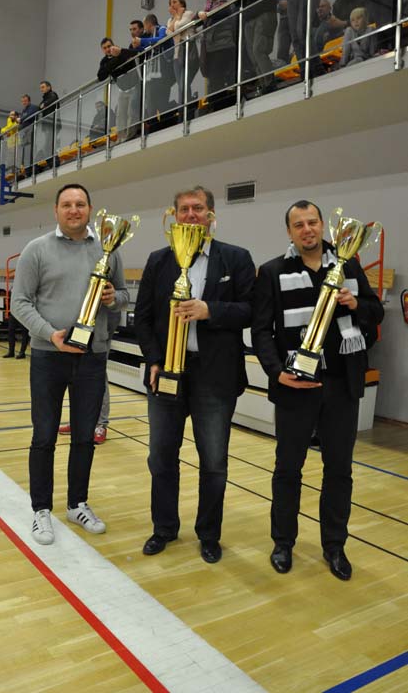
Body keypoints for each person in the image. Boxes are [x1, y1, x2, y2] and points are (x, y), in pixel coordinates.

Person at [252, 200, 384, 580]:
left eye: (312, 222)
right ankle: (283, 542)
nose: (307, 229)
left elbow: (375, 313)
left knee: (339, 470)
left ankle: (335, 546)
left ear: (323, 225)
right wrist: (276, 372)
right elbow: (261, 331)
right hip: (295, 387)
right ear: (289, 231)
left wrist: (355, 302)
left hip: (342, 385)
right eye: (299, 224)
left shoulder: (349, 265)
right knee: (287, 469)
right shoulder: (273, 271)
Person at [135, 186, 255, 564]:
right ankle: (164, 528)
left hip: (215, 376)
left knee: (214, 462)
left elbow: (252, 310)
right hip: (167, 372)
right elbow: (142, 318)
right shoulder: (158, 260)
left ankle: (209, 534)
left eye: (198, 208)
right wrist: (154, 360)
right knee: (161, 458)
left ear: (211, 215)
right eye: (184, 209)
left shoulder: (236, 258)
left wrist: (210, 310)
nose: (191, 214)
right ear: (173, 216)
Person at [11, 184, 129, 545]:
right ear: (56, 210)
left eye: (80, 204)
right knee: (44, 436)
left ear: (90, 209)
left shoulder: (108, 249)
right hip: (48, 357)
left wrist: (113, 297)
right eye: (67, 204)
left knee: (84, 437)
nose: (73, 209)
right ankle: (41, 510)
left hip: (92, 358)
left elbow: (125, 295)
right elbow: (19, 302)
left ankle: (77, 504)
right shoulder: (37, 249)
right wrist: (51, 335)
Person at [59, 308, 121, 444]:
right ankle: (77, 422)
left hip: (100, 325)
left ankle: (100, 425)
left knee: (99, 375)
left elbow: (119, 301)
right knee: (75, 372)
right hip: (80, 321)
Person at [131, 13, 174, 123]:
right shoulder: (150, 38)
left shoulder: (162, 28)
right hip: (151, 79)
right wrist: (137, 47)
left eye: (144, 25)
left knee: (162, 105)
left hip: (163, 76)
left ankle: (166, 126)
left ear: (148, 24)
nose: (144, 29)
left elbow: (160, 39)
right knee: (151, 107)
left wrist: (141, 41)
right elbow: (146, 49)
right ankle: (153, 128)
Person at [197, 0, 236, 100]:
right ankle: (214, 101)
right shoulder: (207, 9)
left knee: (218, 75)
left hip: (223, 45)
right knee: (213, 77)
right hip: (210, 47)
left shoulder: (226, 4)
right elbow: (195, 20)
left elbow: (220, 13)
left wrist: (207, 13)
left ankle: (220, 101)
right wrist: (199, 13)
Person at [166, 0, 198, 108]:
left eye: (174, 2)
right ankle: (184, 110)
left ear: (182, 3)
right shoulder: (170, 20)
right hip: (176, 56)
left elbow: (179, 27)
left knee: (183, 84)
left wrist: (177, 17)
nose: (172, 5)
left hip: (188, 51)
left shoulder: (188, 13)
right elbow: (168, 33)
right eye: (170, 3)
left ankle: (186, 109)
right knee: (181, 85)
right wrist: (176, 17)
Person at [38, 80, 60, 170]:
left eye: (43, 87)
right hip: (48, 124)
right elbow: (39, 106)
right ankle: (52, 163)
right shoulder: (45, 98)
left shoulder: (52, 94)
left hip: (52, 124)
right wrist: (43, 105)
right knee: (47, 145)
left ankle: (55, 163)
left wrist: (44, 104)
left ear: (49, 87)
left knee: (48, 145)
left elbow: (51, 101)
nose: (41, 89)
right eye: (40, 88)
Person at [18, 94, 39, 171]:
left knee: (30, 149)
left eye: (25, 101)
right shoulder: (24, 110)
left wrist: (21, 119)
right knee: (25, 151)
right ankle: (27, 168)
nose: (24, 103)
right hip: (24, 132)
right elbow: (22, 121)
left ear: (29, 101)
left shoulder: (33, 107)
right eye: (22, 101)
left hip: (31, 129)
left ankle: (33, 167)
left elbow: (30, 115)